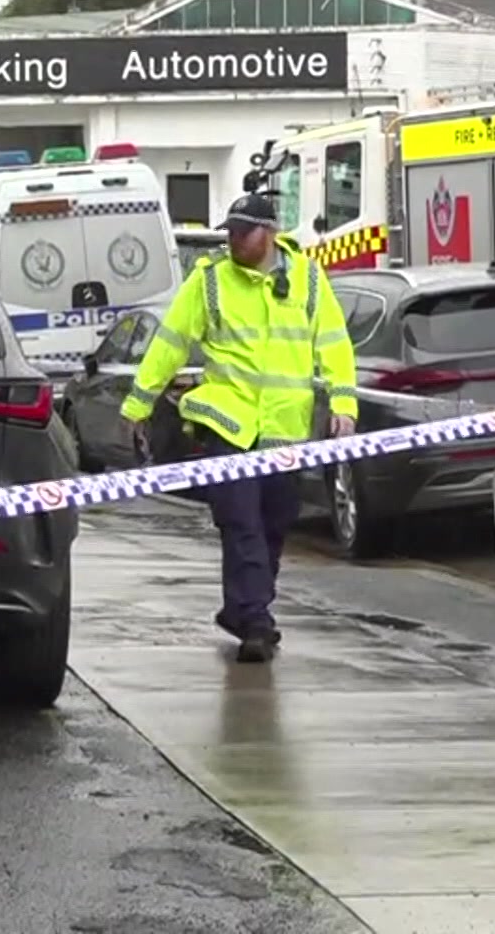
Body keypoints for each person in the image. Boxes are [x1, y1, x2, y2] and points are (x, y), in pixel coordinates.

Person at [117, 192, 358, 663]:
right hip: (227, 425)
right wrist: (138, 403)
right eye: (228, 231)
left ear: (269, 234)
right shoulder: (209, 281)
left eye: (241, 232)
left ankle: (243, 609)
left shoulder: (308, 280)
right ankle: (256, 621)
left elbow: (334, 345)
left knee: (273, 524)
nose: (231, 241)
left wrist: (343, 404)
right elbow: (170, 342)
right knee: (241, 522)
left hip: (284, 430)